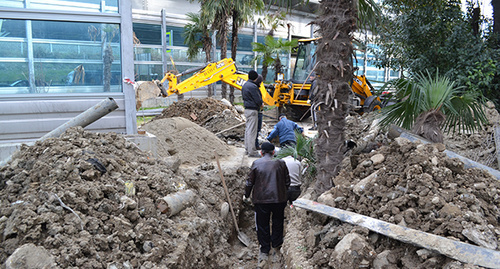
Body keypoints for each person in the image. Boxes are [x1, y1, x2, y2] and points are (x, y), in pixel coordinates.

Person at [243, 142, 290, 268]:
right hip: (279, 200)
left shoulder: (256, 163)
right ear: (274, 152)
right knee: (278, 221)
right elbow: (287, 181)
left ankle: (264, 249)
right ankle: (276, 245)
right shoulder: (281, 163)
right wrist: (282, 193)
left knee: (262, 224)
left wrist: (246, 195)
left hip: (261, 200)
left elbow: (249, 182)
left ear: (261, 152)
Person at [242, 70, 263, 157]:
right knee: (252, 132)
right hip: (253, 110)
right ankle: (252, 152)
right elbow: (258, 99)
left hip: (247, 110)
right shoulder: (253, 87)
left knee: (248, 130)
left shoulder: (245, 85)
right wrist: (261, 104)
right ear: (255, 78)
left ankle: (247, 149)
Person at [255, 75, 264, 150]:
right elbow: (258, 100)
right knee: (256, 129)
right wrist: (261, 104)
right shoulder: (255, 89)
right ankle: (256, 144)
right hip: (257, 111)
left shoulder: (253, 87)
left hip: (257, 110)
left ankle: (255, 144)